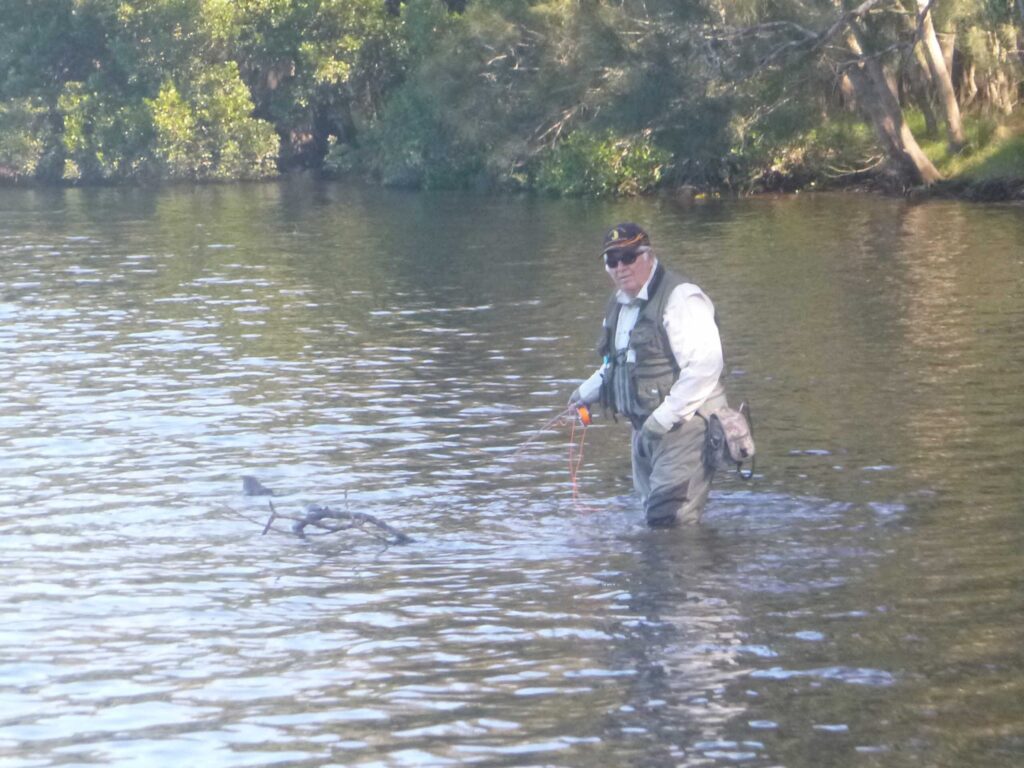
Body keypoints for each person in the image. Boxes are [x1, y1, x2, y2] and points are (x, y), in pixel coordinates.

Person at [570, 223, 728, 526]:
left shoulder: (680, 298)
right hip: (644, 429)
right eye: (612, 260)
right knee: (653, 521)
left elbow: (705, 367)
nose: (620, 267)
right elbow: (615, 364)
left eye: (629, 256)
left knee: (669, 521)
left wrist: (663, 418)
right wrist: (585, 392)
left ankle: (694, 572)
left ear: (649, 255)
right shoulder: (619, 305)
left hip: (687, 427)